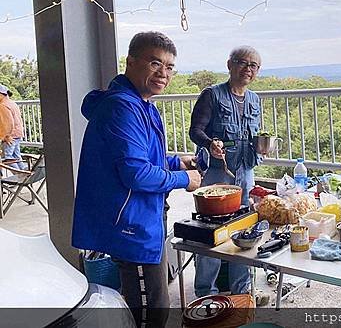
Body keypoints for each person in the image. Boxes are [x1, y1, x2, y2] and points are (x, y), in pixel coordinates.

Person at [72, 31, 202, 328]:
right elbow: (136, 174)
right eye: (155, 63)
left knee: (149, 301)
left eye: (169, 67)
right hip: (132, 224)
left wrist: (174, 161)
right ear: (130, 62)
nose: (163, 73)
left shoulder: (141, 103)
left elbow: (140, 159)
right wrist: (184, 178)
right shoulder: (123, 107)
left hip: (143, 216)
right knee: (151, 309)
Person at [189, 46, 262, 297]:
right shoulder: (211, 95)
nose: (248, 69)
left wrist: (263, 146)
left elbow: (253, 135)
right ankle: (206, 295)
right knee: (213, 233)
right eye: (243, 63)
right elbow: (195, 131)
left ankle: (241, 294)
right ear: (230, 64)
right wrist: (209, 143)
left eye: (254, 65)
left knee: (244, 232)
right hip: (217, 176)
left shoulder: (254, 99)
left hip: (246, 172)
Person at [0, 84, 26, 170]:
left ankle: (20, 174)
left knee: (7, 158)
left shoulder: (3, 105)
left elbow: (8, 123)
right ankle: (25, 174)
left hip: (11, 136)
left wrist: (6, 136)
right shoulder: (12, 103)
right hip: (18, 133)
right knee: (17, 156)